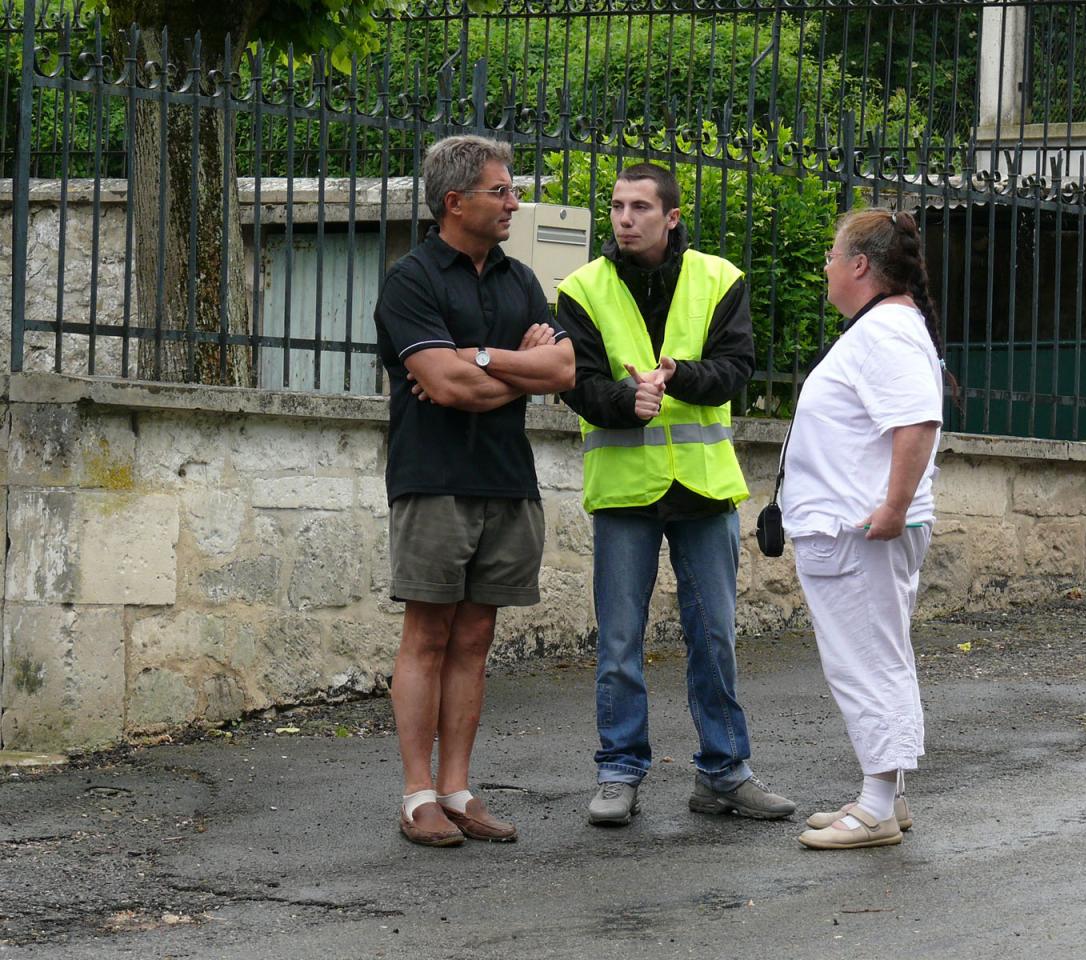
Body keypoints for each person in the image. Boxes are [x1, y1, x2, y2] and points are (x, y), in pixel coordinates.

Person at [557, 162, 795, 827]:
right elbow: (574, 380)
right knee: (619, 643)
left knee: (714, 638)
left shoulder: (720, 279)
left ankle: (724, 772)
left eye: (639, 207)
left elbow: (736, 368)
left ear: (672, 216)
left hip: (702, 488)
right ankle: (618, 770)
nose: (623, 219)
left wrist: (678, 376)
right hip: (625, 490)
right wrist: (623, 401)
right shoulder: (581, 287)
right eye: (616, 206)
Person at [374, 135, 575, 846]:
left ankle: (457, 790)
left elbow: (563, 371)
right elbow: (444, 385)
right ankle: (417, 795)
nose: (515, 202)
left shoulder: (521, 280)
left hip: (507, 479)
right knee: (428, 634)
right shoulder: (411, 280)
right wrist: (514, 370)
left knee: (476, 637)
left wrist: (480, 359)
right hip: (432, 479)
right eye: (502, 190)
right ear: (455, 201)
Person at [781, 208, 947, 850]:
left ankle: (876, 806)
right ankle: (887, 796)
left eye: (831, 256)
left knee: (865, 665)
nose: (825, 268)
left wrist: (893, 507)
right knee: (877, 658)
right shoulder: (887, 327)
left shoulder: (885, 332)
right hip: (854, 529)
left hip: (858, 532)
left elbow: (916, 422)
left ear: (858, 266)